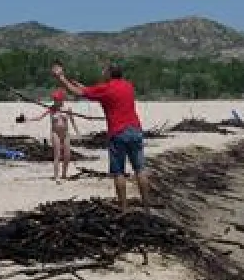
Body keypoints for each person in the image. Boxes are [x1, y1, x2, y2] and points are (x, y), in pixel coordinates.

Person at [51, 62, 150, 211]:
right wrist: (82, 86)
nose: (102, 73)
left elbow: (80, 93)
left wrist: (61, 78)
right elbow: (95, 92)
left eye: (104, 71)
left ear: (109, 74)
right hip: (135, 130)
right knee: (140, 170)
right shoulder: (128, 86)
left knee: (119, 172)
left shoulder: (106, 88)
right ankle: (147, 207)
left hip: (118, 133)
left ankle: (124, 209)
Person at [19, 89, 79, 182]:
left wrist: (77, 132)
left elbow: (73, 121)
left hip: (66, 134)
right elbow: (39, 118)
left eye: (57, 99)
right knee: (57, 155)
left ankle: (64, 174)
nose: (55, 100)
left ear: (62, 99)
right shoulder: (51, 109)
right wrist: (27, 119)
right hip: (55, 133)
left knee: (67, 156)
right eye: (54, 99)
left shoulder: (67, 109)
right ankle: (56, 176)